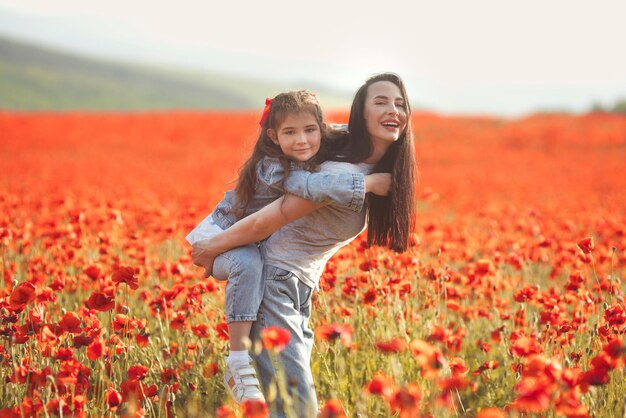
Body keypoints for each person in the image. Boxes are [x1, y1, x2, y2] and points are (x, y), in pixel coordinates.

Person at [193, 72, 416, 417]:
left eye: (400, 103)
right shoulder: (343, 175)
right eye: (381, 101)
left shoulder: (353, 157)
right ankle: (235, 364)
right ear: (362, 111)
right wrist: (211, 246)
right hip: (274, 285)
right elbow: (271, 217)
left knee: (287, 404)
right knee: (298, 408)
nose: (394, 110)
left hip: (297, 292)